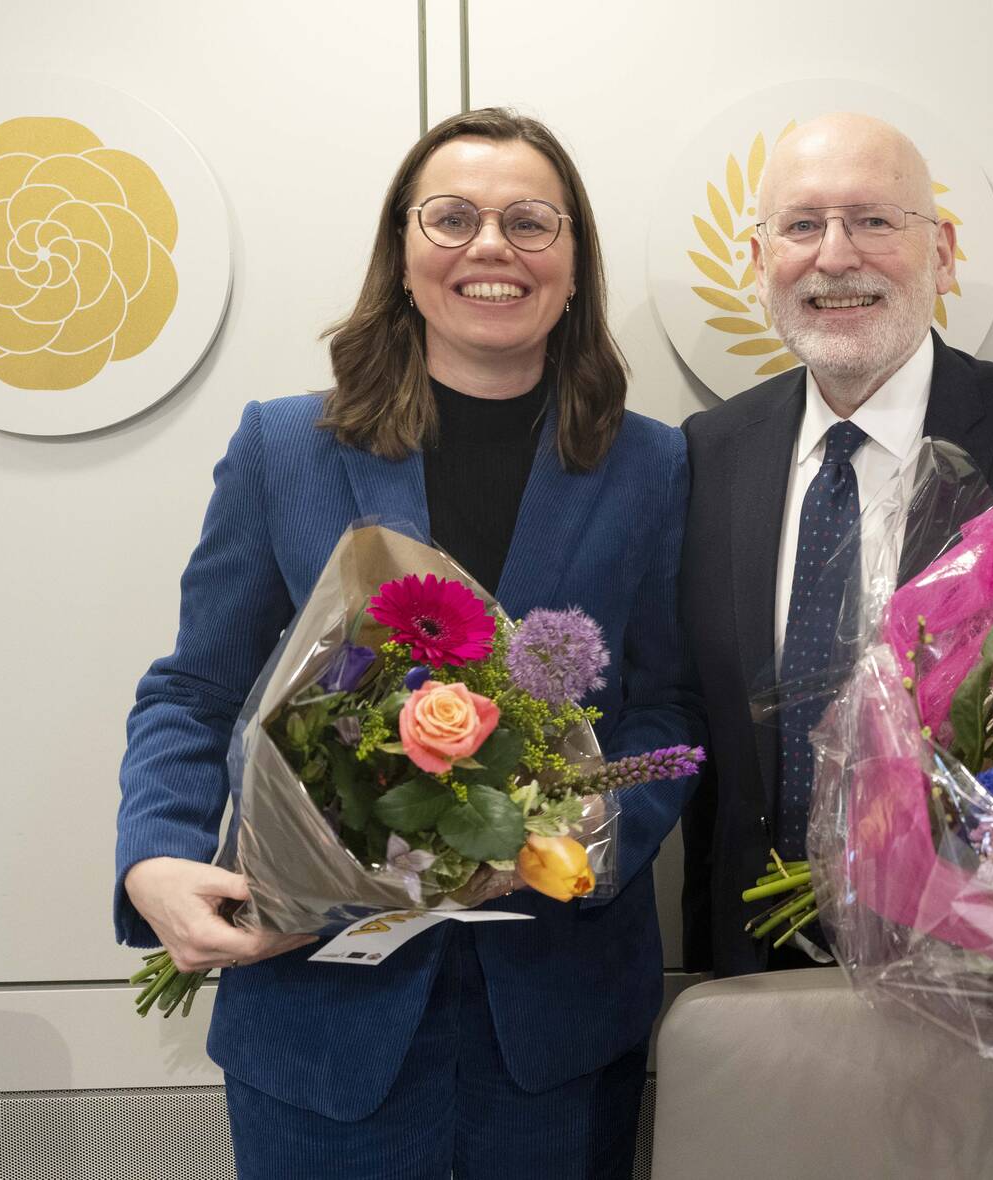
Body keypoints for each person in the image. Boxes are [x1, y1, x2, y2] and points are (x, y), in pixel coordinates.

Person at [114, 108, 700, 1178]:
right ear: (401, 249)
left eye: (531, 221)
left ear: (574, 264)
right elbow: (195, 690)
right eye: (453, 217)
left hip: (555, 1032)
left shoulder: (650, 467)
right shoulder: (285, 446)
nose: (491, 248)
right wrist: (154, 855)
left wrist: (587, 830)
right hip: (320, 1022)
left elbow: (666, 710)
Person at [679, 113, 993, 978]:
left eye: (872, 220)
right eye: (801, 225)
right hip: (757, 978)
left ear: (943, 255)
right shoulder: (709, 454)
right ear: (757, 264)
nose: (833, 256)